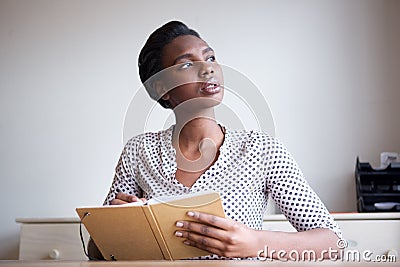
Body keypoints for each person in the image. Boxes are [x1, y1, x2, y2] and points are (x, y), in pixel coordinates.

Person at [88, 20, 342, 260]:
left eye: (210, 58)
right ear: (161, 88)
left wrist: (255, 242)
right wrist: (122, 223)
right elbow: (96, 250)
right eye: (187, 64)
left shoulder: (262, 150)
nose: (207, 68)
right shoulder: (138, 151)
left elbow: (334, 243)